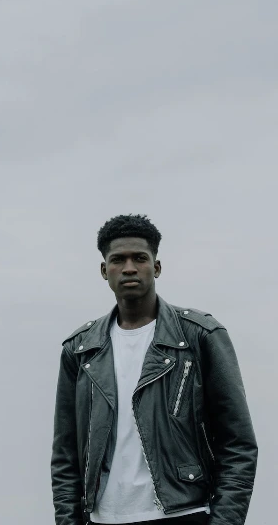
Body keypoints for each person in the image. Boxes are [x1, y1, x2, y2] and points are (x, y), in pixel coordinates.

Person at [51, 215, 257, 525]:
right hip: (102, 518)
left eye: (140, 258)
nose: (130, 268)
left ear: (156, 267)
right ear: (104, 270)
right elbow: (65, 455)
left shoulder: (200, 336)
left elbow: (238, 444)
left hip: (184, 513)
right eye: (118, 260)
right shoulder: (80, 350)